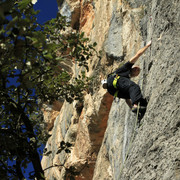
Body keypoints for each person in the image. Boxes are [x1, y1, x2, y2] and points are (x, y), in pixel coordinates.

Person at [101, 41, 152, 115]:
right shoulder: (126, 68)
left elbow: (127, 99)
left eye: (138, 71)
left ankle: (138, 106)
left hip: (114, 90)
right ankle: (136, 105)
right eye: (135, 68)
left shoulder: (125, 81)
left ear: (136, 75)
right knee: (133, 87)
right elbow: (138, 55)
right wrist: (147, 46)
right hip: (114, 80)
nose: (136, 70)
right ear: (131, 68)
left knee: (131, 94)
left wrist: (132, 108)